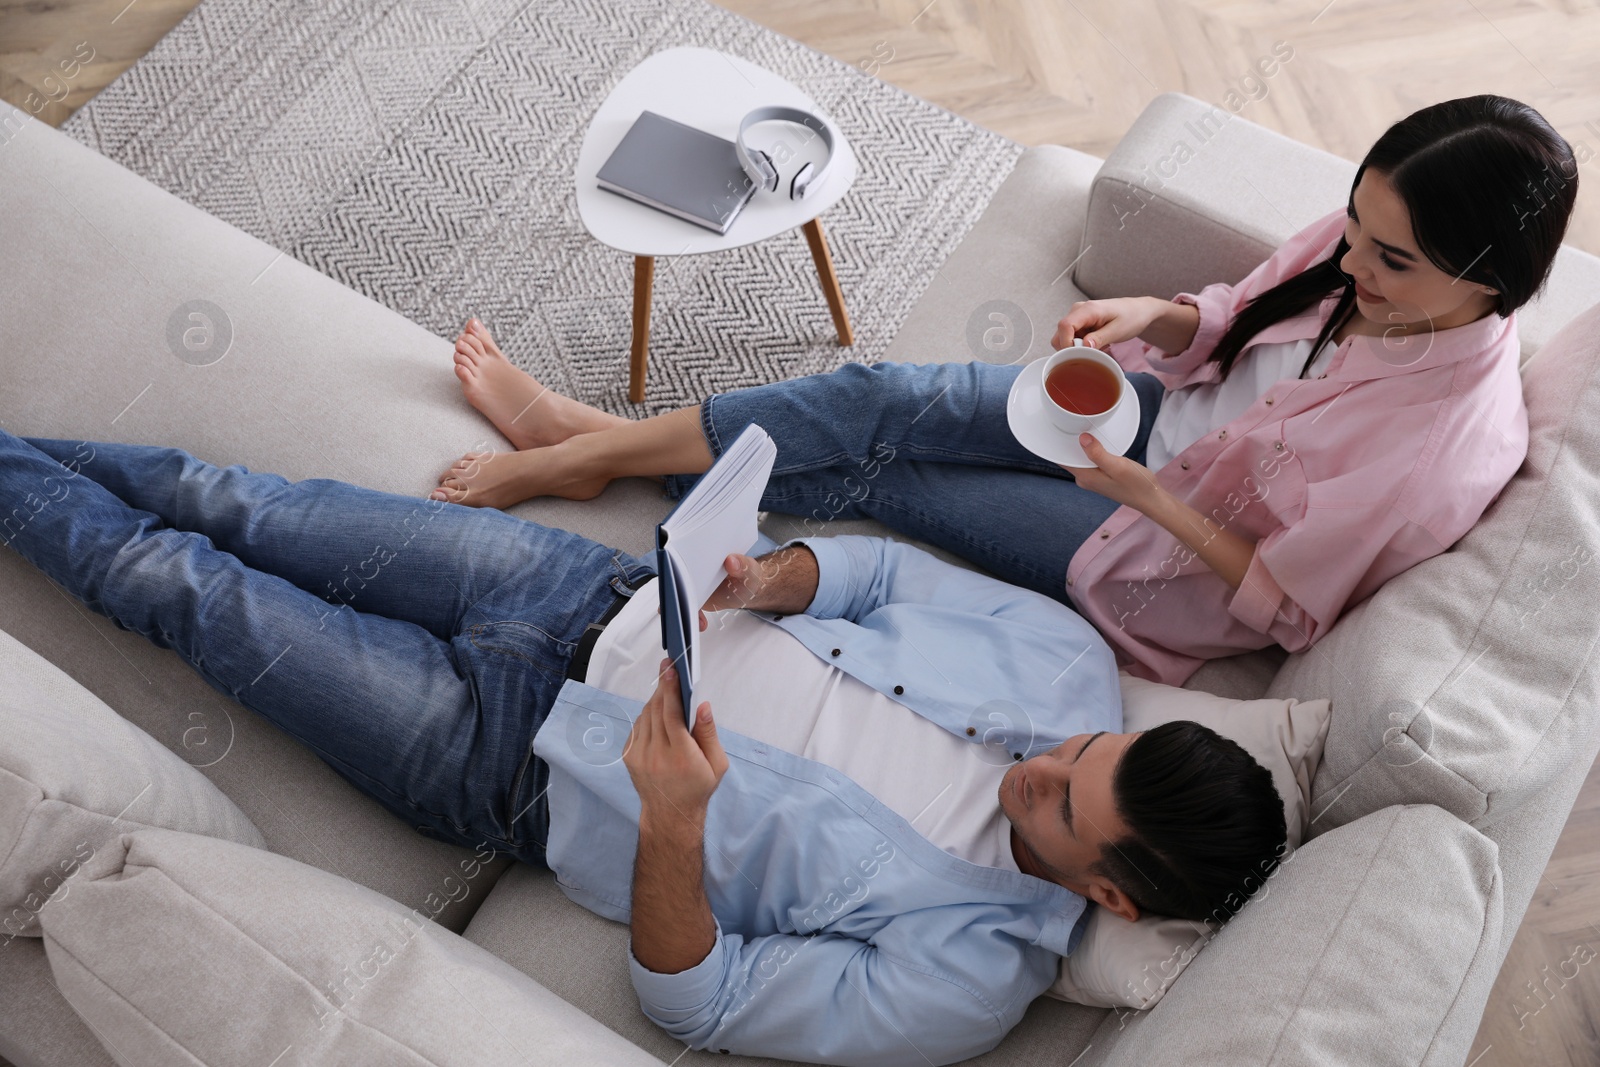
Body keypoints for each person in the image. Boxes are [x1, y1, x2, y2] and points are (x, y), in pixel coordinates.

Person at [0, 429, 1285, 1067]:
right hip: (584, 594)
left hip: (502, 762)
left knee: (171, 580)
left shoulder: (960, 985)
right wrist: (784, 575)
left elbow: (696, 1000)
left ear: (1105, 893)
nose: (1042, 762)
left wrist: (674, 819)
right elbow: (881, 571)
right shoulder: (1064, 668)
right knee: (233, 500)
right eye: (1077, 747)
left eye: (1060, 799)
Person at [430, 94, 1575, 687]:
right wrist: (1163, 317)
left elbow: (1284, 606)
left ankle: (582, 445)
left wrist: (1147, 496)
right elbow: (1246, 318)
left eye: (1388, 261)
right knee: (879, 390)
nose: (1353, 266)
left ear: (1488, 278)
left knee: (882, 468)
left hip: (1160, 551)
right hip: (1150, 416)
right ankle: (594, 443)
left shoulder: (1439, 447)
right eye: (1357, 227)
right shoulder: (1371, 241)